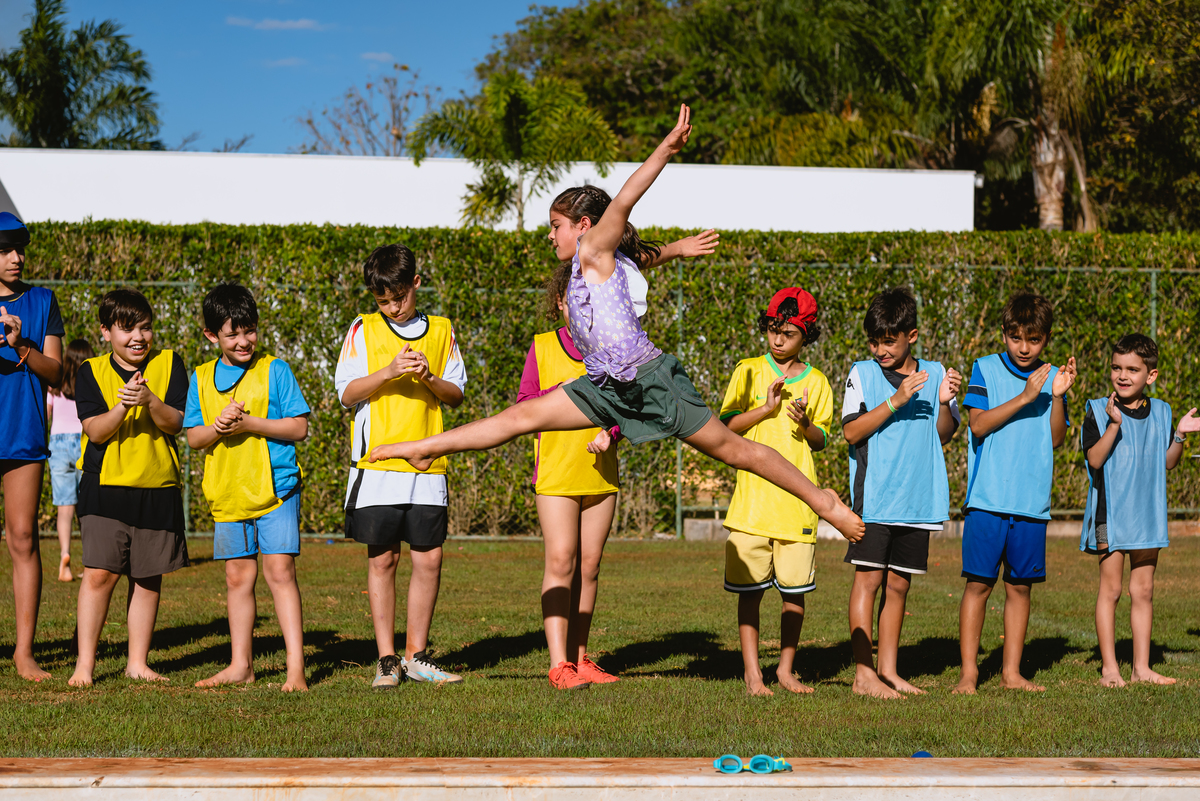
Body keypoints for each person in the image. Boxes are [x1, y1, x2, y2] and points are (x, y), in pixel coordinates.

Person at [368, 105, 865, 552]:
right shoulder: (596, 264)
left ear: (585, 224)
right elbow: (641, 255)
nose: (550, 234)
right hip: (604, 384)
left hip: (648, 378)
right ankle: (424, 448)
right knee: (517, 419)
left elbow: (625, 200)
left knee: (737, 451)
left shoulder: (592, 248)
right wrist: (675, 249)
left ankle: (823, 501)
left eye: (556, 224)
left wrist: (665, 150)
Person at [521, 229, 720, 690]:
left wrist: (610, 433)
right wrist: (568, 407)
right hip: (555, 472)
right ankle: (559, 666)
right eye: (573, 300)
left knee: (589, 566)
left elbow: (625, 408)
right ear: (562, 303)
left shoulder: (615, 349)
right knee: (561, 560)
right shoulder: (543, 346)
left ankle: (582, 657)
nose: (581, 306)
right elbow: (525, 406)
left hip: (599, 473)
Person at [335, 244, 468, 689]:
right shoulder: (363, 328)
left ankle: (417, 656)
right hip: (377, 467)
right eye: (383, 301)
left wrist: (428, 377)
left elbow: (456, 394)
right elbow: (347, 393)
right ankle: (387, 659)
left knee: (429, 560)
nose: (392, 308)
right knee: (384, 559)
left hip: (428, 467)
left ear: (416, 283)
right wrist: (390, 371)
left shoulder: (443, 330)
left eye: (399, 298)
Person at [185, 283, 311, 692]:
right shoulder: (200, 378)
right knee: (238, 578)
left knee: (280, 572)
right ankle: (241, 665)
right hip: (229, 493)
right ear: (211, 336)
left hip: (277, 490)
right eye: (232, 334)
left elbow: (299, 427)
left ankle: (296, 670)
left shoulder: (276, 370)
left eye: (250, 330)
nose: (244, 341)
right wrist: (217, 428)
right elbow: (193, 438)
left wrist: (251, 424)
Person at [954, 292, 1077, 694]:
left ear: (1047, 338)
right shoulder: (985, 368)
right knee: (978, 585)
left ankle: (1011, 673)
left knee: (1019, 588)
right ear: (1004, 333)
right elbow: (977, 425)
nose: (1024, 348)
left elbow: (1057, 439)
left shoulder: (1053, 376)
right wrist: (1025, 397)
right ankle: (968, 675)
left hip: (1030, 504)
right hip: (987, 501)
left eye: (1035, 339)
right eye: (1016, 337)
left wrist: (1056, 396)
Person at [840, 288, 960, 699]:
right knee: (868, 580)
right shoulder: (862, 373)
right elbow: (851, 432)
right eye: (874, 341)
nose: (880, 349)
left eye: (888, 341)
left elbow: (943, 434)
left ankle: (888, 671)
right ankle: (862, 674)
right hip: (874, 498)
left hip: (918, 500)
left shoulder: (936, 372)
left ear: (912, 335)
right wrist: (896, 400)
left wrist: (944, 403)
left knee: (898, 587)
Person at [69, 289, 190, 687]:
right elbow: (95, 430)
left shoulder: (171, 364)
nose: (139, 337)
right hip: (105, 487)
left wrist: (150, 399)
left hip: (158, 485)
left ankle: (137, 662)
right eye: (127, 329)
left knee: (148, 577)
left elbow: (176, 423)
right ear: (106, 332)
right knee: (99, 575)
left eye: (146, 327)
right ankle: (85, 665)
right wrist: (124, 405)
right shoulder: (89, 371)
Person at [718, 287, 833, 696]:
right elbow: (725, 428)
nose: (778, 339)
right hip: (751, 506)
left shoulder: (818, 382)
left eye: (788, 332)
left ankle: (785, 670)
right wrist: (765, 410)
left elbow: (821, 440)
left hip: (797, 510)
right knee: (749, 595)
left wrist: (804, 425)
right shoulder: (747, 370)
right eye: (772, 330)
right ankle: (752, 675)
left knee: (794, 596)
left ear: (807, 335)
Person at [1081, 334, 1199, 687]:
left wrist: (1178, 436)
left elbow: (1167, 463)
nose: (1123, 375)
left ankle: (1141, 668)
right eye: (1117, 367)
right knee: (1111, 590)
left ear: (1151, 375)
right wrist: (1115, 423)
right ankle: (1109, 669)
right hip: (1111, 516)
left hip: (1147, 515)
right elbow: (1095, 459)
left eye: (1133, 369)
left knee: (1143, 590)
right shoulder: (1098, 409)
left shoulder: (1162, 410)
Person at [0, 212, 64, 681]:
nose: (16, 258)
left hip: (22, 434)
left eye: (19, 248)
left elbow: (58, 373)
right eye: (5, 249)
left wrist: (22, 346)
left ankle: (24, 652)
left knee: (23, 538)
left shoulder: (42, 301)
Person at [47, 339, 95, 583]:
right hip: (84, 442)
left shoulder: (55, 385)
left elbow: (46, 414)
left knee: (64, 508)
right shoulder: (92, 384)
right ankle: (90, 563)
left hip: (58, 444)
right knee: (86, 508)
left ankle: (65, 557)